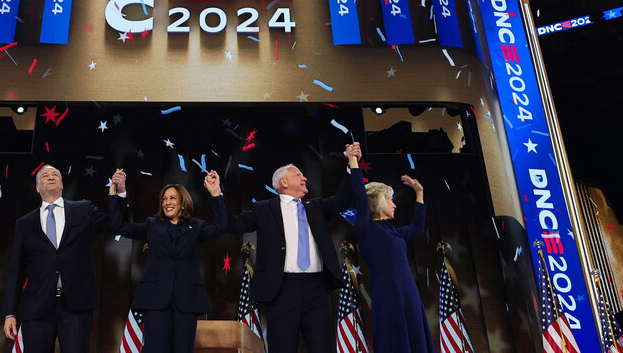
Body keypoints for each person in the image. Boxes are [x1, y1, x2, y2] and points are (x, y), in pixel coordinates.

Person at [228, 143, 358, 353]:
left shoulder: (316, 207)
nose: (305, 178)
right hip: (282, 290)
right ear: (284, 181)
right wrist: (216, 195)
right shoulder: (264, 210)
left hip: (317, 288)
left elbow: (344, 199)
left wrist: (352, 162)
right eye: (299, 174)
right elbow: (232, 224)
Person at [3, 164, 122, 353]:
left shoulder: (83, 209)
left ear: (62, 183)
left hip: (76, 306)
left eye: (55, 174)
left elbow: (115, 226)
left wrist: (118, 195)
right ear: (37, 187)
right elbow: (15, 270)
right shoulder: (24, 223)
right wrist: (10, 312)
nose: (50, 176)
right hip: (38, 308)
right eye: (44, 176)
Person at [107, 169, 226, 353]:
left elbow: (221, 226)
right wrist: (118, 192)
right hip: (155, 300)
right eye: (164, 199)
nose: (167, 202)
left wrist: (215, 193)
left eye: (172, 198)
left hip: (187, 300)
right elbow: (119, 226)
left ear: (183, 203)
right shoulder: (152, 225)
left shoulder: (196, 227)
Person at [347, 149, 435, 352]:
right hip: (388, 292)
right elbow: (360, 194)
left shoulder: (392, 231)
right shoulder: (365, 227)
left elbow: (416, 228)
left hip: (408, 290)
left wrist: (419, 193)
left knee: (416, 334)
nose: (394, 205)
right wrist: (353, 159)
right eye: (390, 199)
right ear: (377, 200)